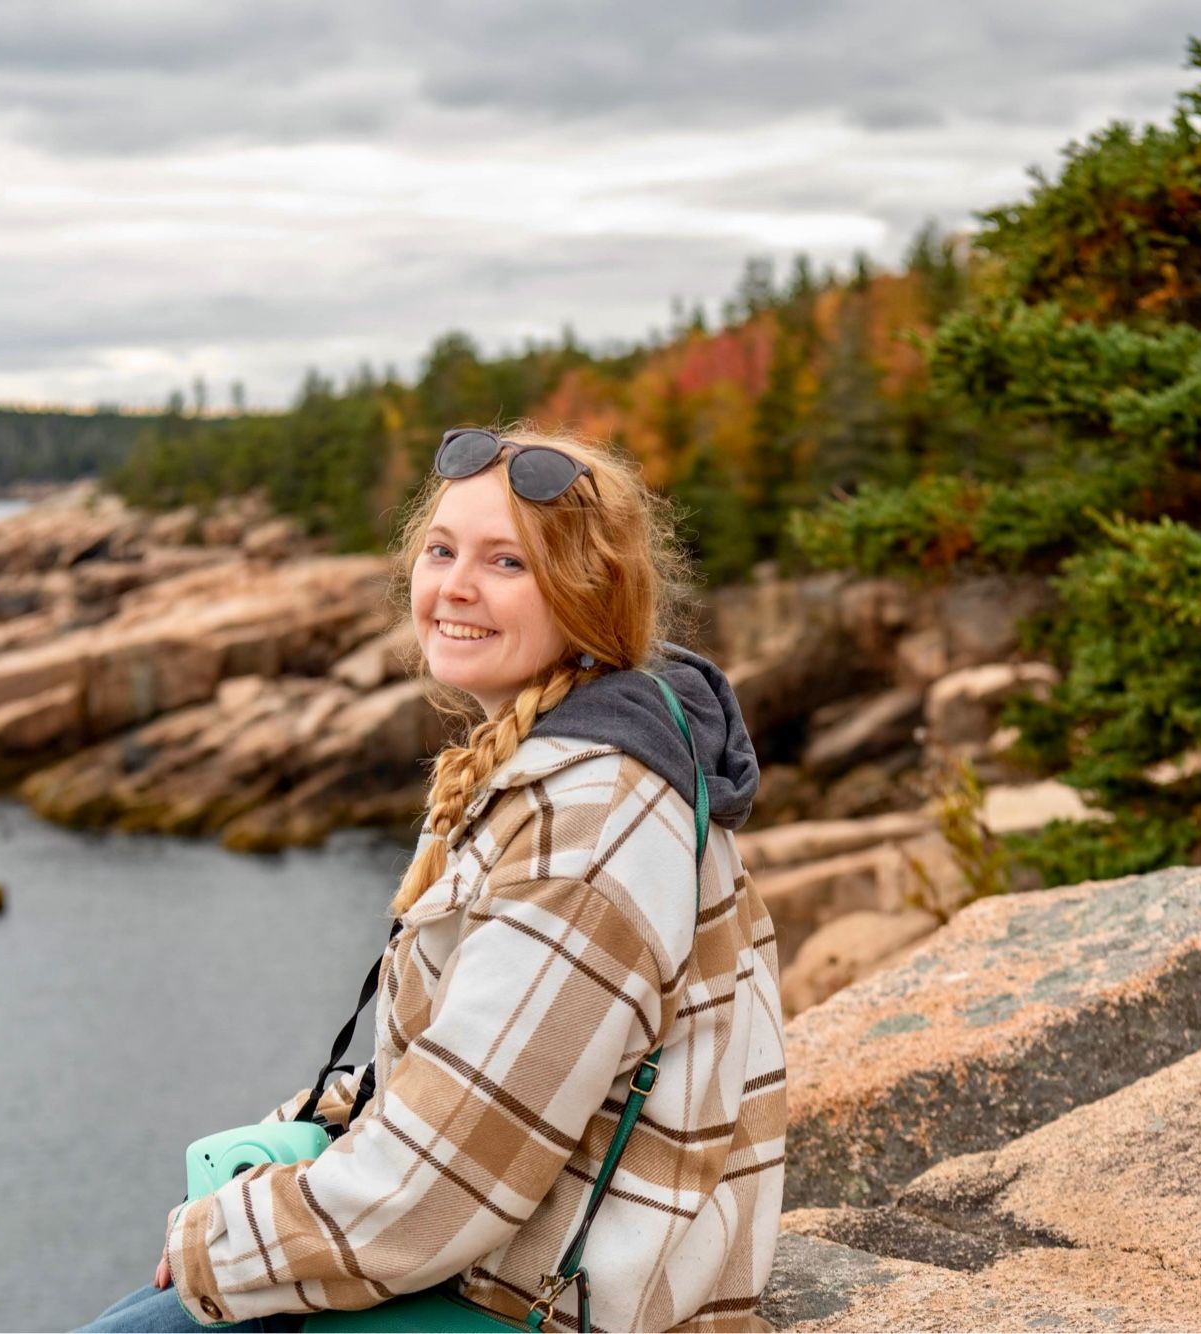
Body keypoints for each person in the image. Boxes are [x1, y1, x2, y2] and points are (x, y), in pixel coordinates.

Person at [83, 423, 783, 1332]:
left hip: (533, 1303)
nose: (455, 585)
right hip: (496, 1261)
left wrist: (214, 1242)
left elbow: (444, 1181)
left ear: (586, 595)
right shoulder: (547, 760)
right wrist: (305, 1131)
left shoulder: (590, 828)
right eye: (442, 550)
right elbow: (466, 1070)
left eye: (507, 563)